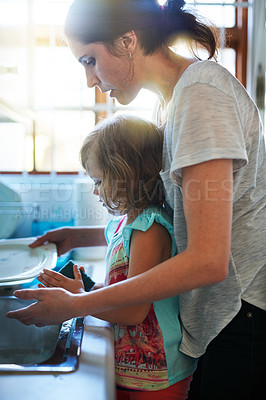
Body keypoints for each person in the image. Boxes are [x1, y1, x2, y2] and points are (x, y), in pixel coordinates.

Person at [6, 1, 266, 399]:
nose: (90, 80)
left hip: (242, 312)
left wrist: (76, 305)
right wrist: (83, 236)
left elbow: (208, 259)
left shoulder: (200, 96)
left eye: (90, 60)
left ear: (128, 41)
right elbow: (170, 218)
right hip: (226, 312)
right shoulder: (174, 103)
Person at [37, 114, 197, 399]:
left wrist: (77, 302)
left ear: (126, 175)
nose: (94, 189)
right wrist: (85, 289)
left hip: (156, 375)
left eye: (98, 180)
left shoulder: (149, 229)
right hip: (135, 368)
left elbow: (133, 311)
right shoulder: (125, 224)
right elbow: (122, 290)